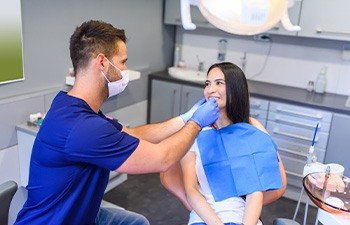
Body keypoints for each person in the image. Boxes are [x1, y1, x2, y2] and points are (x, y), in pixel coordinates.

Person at [14, 20, 219, 225]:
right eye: (122, 62)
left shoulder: (72, 106)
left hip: (80, 214)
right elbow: (163, 159)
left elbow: (134, 134)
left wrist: (184, 119)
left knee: (136, 222)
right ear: (102, 63)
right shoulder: (83, 128)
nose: (125, 69)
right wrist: (196, 123)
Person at [161, 62, 287, 225]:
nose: (210, 90)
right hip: (203, 217)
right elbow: (191, 190)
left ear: (235, 90)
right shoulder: (194, 131)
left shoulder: (251, 129)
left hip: (241, 216)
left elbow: (255, 191)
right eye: (208, 84)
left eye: (219, 83)